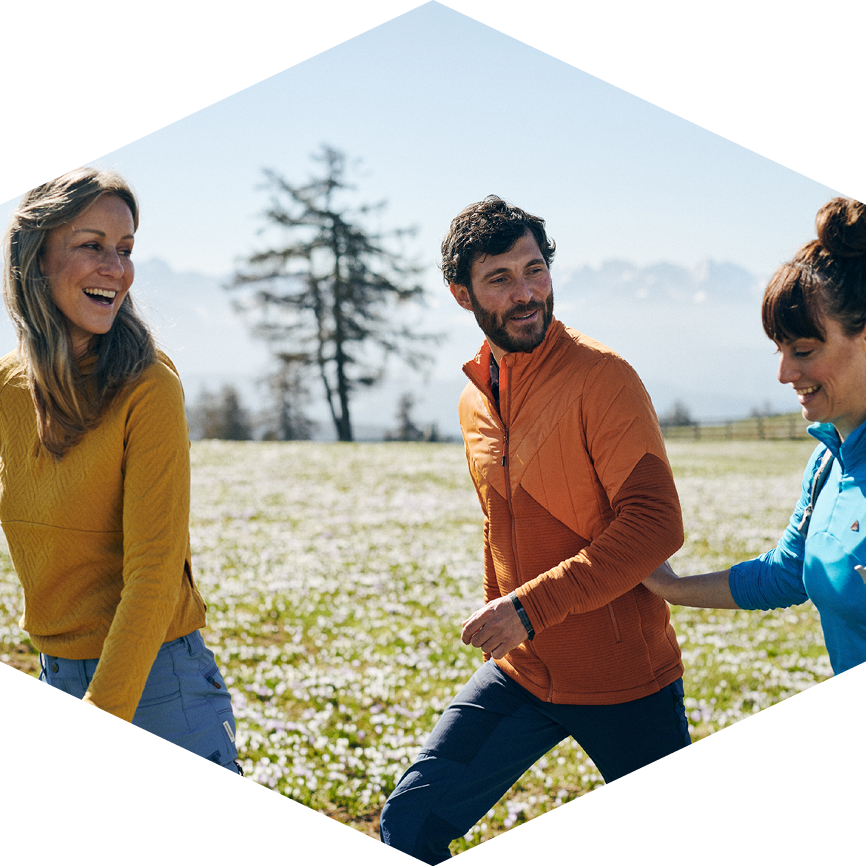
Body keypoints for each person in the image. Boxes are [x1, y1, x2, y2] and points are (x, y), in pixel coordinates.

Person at [379, 195, 690, 862]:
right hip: (523, 672)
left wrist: (528, 607)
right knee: (409, 826)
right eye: (500, 278)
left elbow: (656, 524)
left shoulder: (603, 378)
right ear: (463, 295)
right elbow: (503, 520)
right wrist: (508, 606)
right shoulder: (473, 396)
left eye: (535, 270)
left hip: (625, 682)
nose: (525, 294)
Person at [1, 167, 242, 773]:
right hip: (56, 675)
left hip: (159, 683)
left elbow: (155, 574)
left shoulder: (148, 388)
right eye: (93, 245)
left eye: (126, 250)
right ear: (36, 261)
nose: (117, 267)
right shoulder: (8, 390)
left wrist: (99, 721)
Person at [643, 196, 866, 679]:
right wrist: (673, 587)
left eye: (803, 350)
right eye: (779, 351)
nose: (785, 373)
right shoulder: (829, 459)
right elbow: (787, 573)